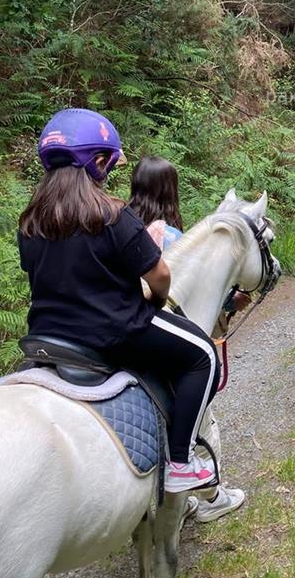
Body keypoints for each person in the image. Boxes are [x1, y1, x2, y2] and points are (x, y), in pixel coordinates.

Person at [19, 108, 220, 494]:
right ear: (97, 162)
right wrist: (158, 298)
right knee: (203, 355)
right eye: (108, 162)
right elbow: (158, 275)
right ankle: (181, 461)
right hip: (112, 330)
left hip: (46, 332)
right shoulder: (111, 214)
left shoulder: (30, 222)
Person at [129, 155, 246, 522]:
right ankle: (210, 494)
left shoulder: (125, 226)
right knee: (202, 412)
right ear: (169, 191)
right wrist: (232, 303)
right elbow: (194, 291)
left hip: (126, 329)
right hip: (164, 331)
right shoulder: (173, 237)